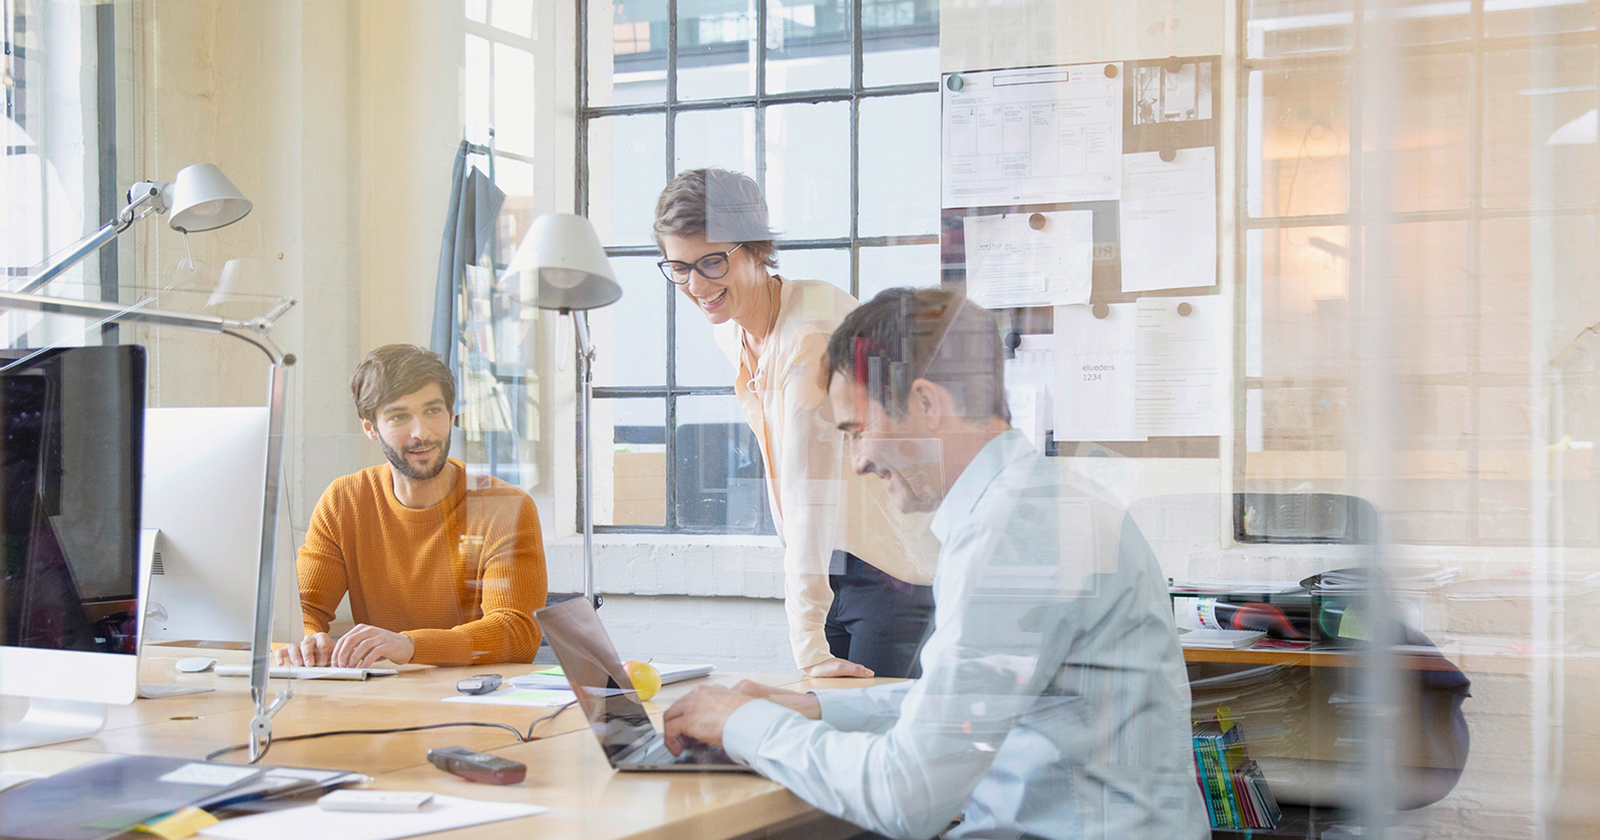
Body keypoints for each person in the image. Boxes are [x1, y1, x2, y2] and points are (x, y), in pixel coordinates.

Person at [662, 288, 1206, 840]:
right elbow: (960, 700)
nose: (858, 462)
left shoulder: (1009, 535)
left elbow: (906, 795)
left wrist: (744, 724)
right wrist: (807, 706)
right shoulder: (1040, 504)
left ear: (926, 405)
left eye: (856, 431)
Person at [653, 168, 938, 679]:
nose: (696, 285)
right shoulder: (738, 329)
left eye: (712, 262)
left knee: (869, 743)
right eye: (679, 267)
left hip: (889, 577)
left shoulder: (810, 337)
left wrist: (807, 646)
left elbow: (811, 494)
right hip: (831, 566)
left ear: (758, 248)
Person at [277, 344, 547, 668]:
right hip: (381, 697)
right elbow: (300, 609)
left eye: (433, 411)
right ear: (370, 428)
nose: (421, 433)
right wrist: (307, 640)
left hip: (479, 700)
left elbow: (516, 633)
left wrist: (410, 645)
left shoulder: (505, 506)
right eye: (399, 416)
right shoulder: (343, 500)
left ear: (452, 417)